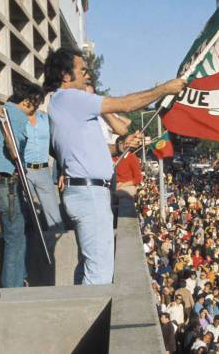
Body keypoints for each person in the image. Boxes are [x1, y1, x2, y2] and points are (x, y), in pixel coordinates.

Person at [43, 47, 185, 285]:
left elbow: (85, 150)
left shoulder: (60, 102)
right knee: (99, 274)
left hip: (85, 192)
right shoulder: (72, 98)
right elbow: (127, 104)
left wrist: (119, 148)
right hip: (89, 195)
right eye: (83, 70)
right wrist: (164, 89)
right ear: (66, 76)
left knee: (87, 266)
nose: (88, 75)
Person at [0, 82, 42, 287]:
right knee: (15, 238)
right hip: (8, 180)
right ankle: (14, 285)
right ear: (29, 101)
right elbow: (12, 147)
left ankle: (19, 278)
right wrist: (14, 150)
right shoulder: (16, 115)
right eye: (36, 103)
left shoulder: (0, 110)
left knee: (16, 231)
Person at [22, 87, 65, 233]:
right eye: (33, 99)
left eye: (38, 100)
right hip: (24, 170)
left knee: (54, 217)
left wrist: (63, 169)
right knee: (28, 215)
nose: (35, 103)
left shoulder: (45, 119)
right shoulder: (18, 119)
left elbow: (56, 145)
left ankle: (57, 252)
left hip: (43, 170)